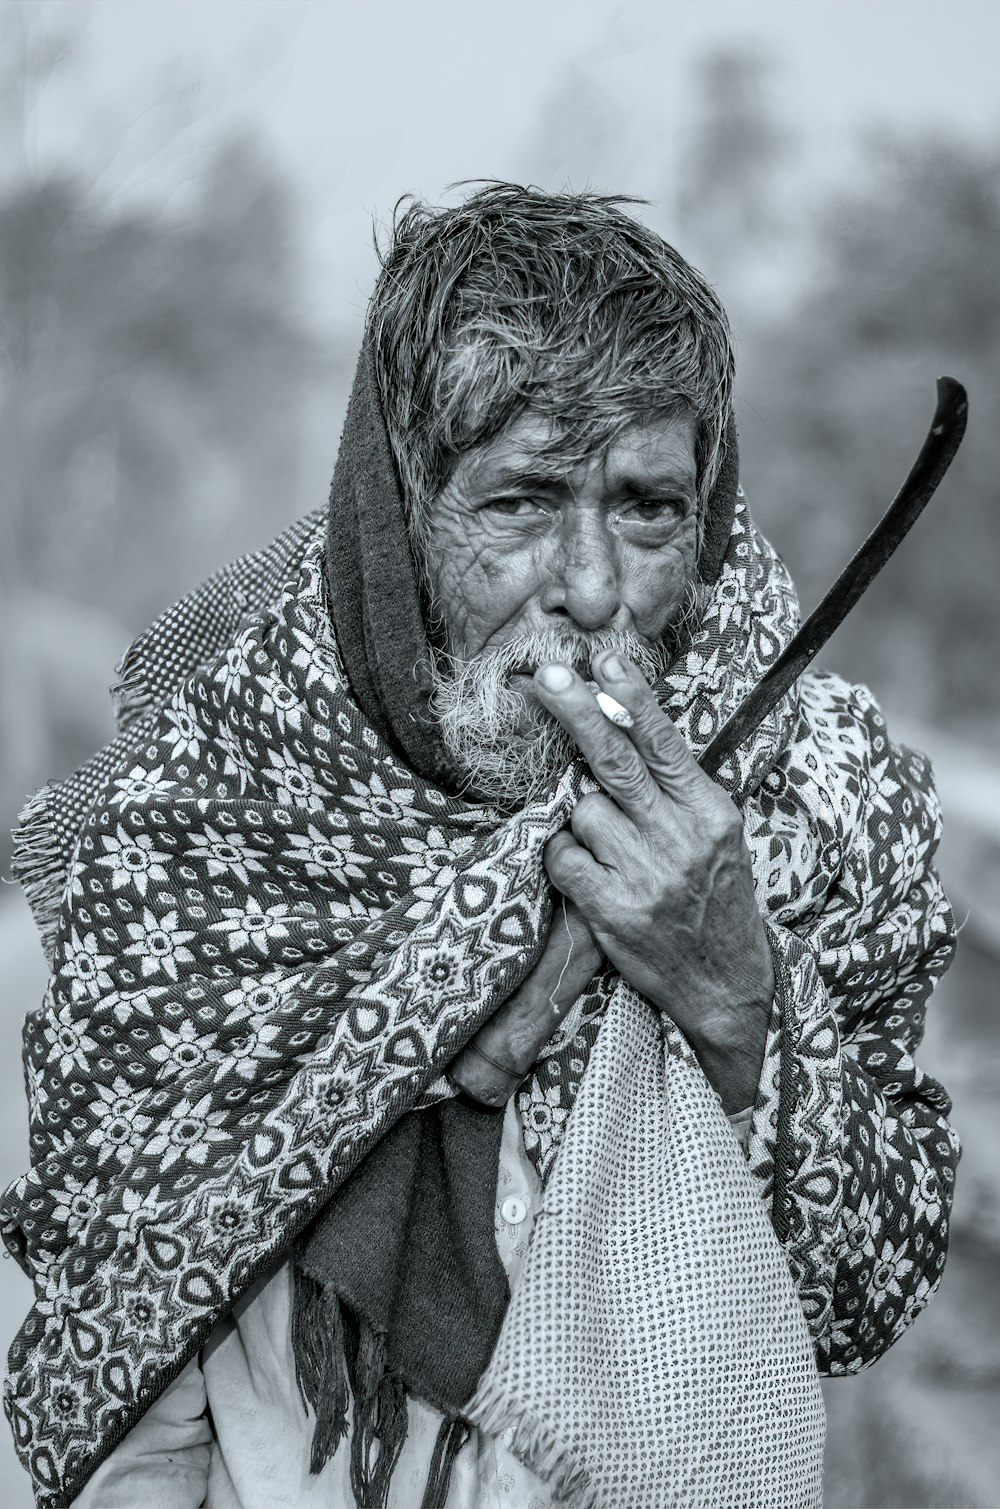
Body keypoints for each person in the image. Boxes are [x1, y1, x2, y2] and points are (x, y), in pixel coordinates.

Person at [2, 184, 959, 1509]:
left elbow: (869, 1295)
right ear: (397, 517)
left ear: (713, 509)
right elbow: (133, 1400)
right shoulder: (205, 828)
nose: (591, 585)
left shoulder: (813, 804)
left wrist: (736, 994)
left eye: (646, 509)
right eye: (519, 503)